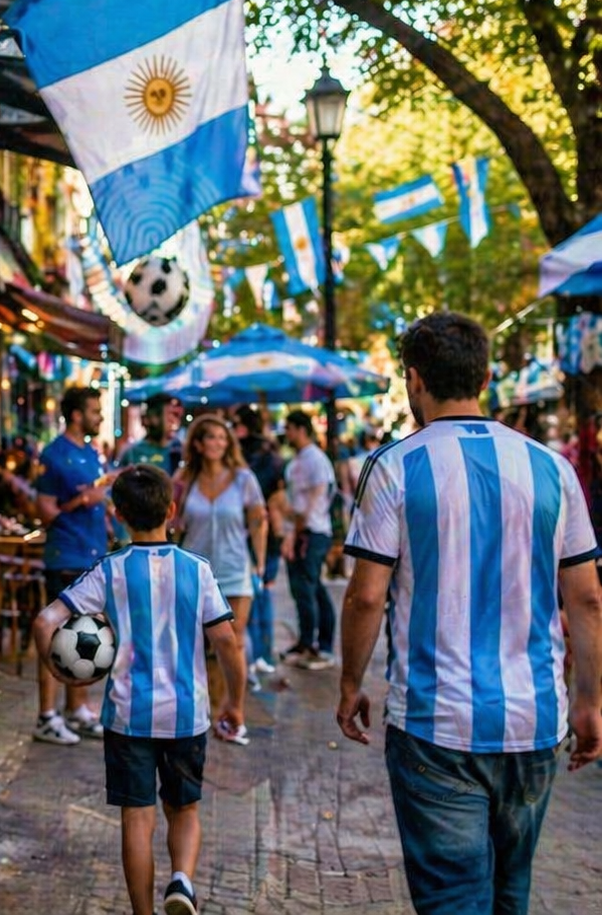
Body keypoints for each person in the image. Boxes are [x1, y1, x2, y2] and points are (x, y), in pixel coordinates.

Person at [336, 312, 602, 915]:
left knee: (454, 900)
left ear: (413, 380)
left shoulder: (396, 467)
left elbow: (366, 595)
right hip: (535, 721)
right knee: (511, 892)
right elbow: (586, 597)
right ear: (484, 376)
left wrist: (351, 683)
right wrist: (590, 700)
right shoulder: (552, 470)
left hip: (436, 726)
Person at [35, 464, 245, 915]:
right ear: (172, 510)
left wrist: (63, 676)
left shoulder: (109, 570)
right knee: (184, 809)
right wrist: (236, 701)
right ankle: (182, 882)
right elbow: (227, 640)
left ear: (117, 516)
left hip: (128, 715)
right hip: (187, 715)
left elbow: (45, 620)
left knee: (137, 817)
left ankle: (143, 913)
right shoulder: (197, 569)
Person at [170, 416, 266, 741]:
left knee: (232, 641)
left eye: (223, 438)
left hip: (235, 567)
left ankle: (234, 708)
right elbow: (171, 522)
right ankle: (203, 706)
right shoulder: (185, 479)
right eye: (211, 437)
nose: (217, 443)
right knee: (197, 642)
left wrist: (260, 563)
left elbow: (258, 519)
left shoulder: (243, 478)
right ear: (198, 443)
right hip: (194, 570)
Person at [27, 386, 111, 745]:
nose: (100, 417)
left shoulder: (92, 453)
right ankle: (47, 715)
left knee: (87, 636)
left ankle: (78, 709)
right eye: (95, 411)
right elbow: (44, 512)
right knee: (55, 635)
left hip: (92, 558)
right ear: (76, 415)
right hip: (65, 557)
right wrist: (82, 500)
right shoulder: (54, 455)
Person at [281, 410, 336, 670]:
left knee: (308, 589)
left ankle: (317, 645)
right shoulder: (296, 462)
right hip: (301, 531)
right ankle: (310, 642)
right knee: (310, 588)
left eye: (289, 428)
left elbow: (315, 500)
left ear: (301, 429)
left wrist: (297, 530)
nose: (286, 434)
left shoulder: (316, 459)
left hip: (312, 532)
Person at [234, 406, 284, 676]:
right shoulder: (274, 453)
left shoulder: (240, 457)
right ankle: (264, 654)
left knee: (249, 598)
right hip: (269, 534)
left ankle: (253, 656)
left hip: (246, 533)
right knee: (263, 594)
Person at [119, 395, 179, 473]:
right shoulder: (132, 452)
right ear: (148, 418)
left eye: (174, 415)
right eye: (167, 414)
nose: (172, 420)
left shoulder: (179, 450)